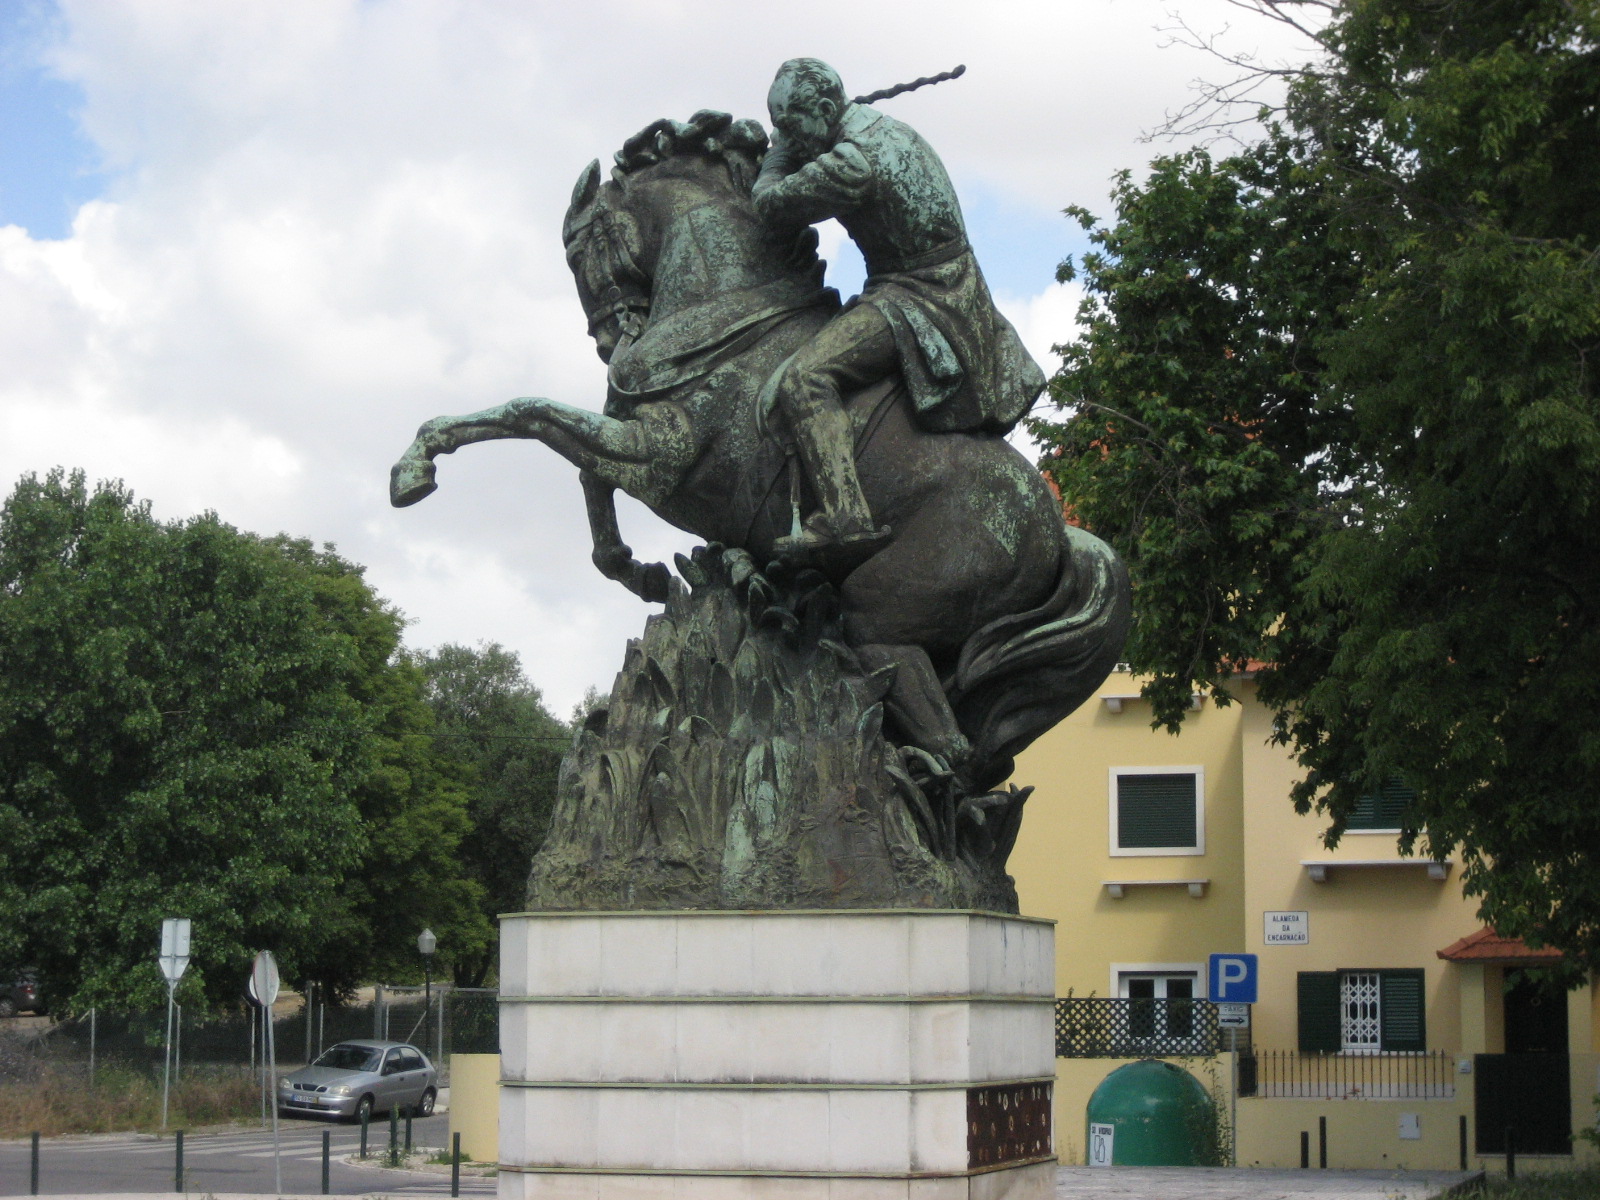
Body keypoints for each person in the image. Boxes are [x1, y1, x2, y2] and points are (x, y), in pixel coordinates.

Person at [753, 57, 1046, 560]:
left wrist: (776, 159)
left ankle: (846, 518)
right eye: (780, 127)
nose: (788, 136)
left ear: (826, 108)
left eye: (789, 125)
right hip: (945, 285)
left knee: (805, 379)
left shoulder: (852, 163)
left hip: (919, 298)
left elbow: (770, 208)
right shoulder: (888, 132)